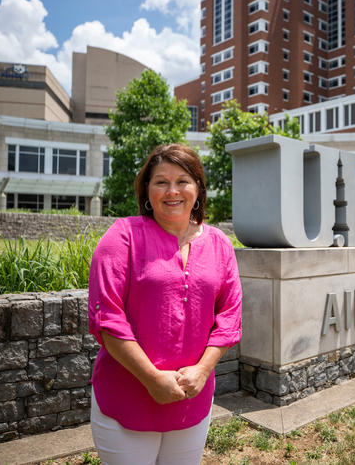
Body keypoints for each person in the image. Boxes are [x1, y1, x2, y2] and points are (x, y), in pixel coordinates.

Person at [87, 143, 242, 465]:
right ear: (147, 190)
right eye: (161, 182)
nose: (173, 191)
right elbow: (107, 318)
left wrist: (202, 370)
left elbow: (229, 318)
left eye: (183, 180)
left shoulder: (220, 245)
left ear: (198, 188)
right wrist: (152, 379)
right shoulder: (123, 237)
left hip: (192, 397)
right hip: (128, 395)